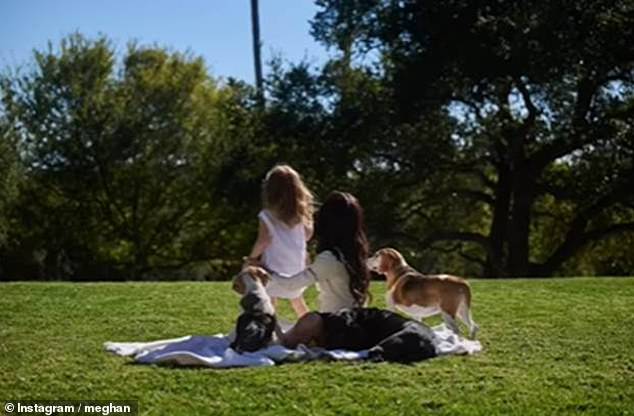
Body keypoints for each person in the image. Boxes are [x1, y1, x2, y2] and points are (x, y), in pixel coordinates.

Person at [266, 191, 371, 314]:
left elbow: (292, 284)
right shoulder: (355, 254)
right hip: (355, 319)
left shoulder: (330, 258)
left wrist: (266, 271)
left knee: (306, 322)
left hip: (335, 322)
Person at [246, 165, 314, 317]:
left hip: (274, 268)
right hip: (297, 268)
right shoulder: (303, 215)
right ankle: (313, 329)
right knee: (298, 301)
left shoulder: (267, 215)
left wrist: (252, 258)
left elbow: (264, 240)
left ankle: (269, 330)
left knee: (270, 300)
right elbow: (308, 236)